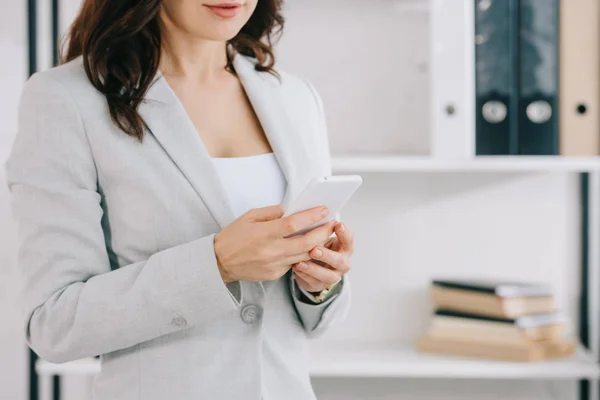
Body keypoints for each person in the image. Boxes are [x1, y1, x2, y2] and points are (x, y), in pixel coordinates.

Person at [4, 0, 353, 399]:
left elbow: (319, 321)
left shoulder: (295, 96)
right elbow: (54, 324)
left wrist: (321, 284)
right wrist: (217, 263)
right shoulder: (67, 99)